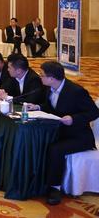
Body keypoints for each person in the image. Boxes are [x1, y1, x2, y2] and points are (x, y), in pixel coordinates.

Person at [24, 61, 99, 205]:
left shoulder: (76, 91)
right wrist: (38, 107)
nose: (40, 77)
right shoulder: (50, 88)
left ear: (52, 78)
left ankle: (55, 187)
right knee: (39, 141)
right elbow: (52, 107)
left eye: (42, 75)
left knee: (55, 149)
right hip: (60, 131)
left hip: (79, 136)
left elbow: (94, 112)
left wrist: (74, 119)